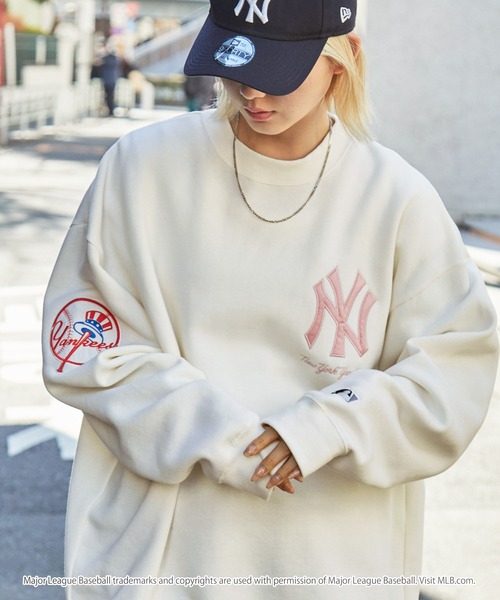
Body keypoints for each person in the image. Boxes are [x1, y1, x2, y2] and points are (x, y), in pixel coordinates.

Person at [42, 1, 498, 599]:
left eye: (277, 69)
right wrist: (225, 437)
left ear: (343, 59)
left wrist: (327, 425)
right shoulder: (142, 169)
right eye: (233, 61)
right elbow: (82, 346)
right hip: (166, 561)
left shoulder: (397, 199)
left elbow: (453, 372)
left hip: (336, 567)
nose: (251, 90)